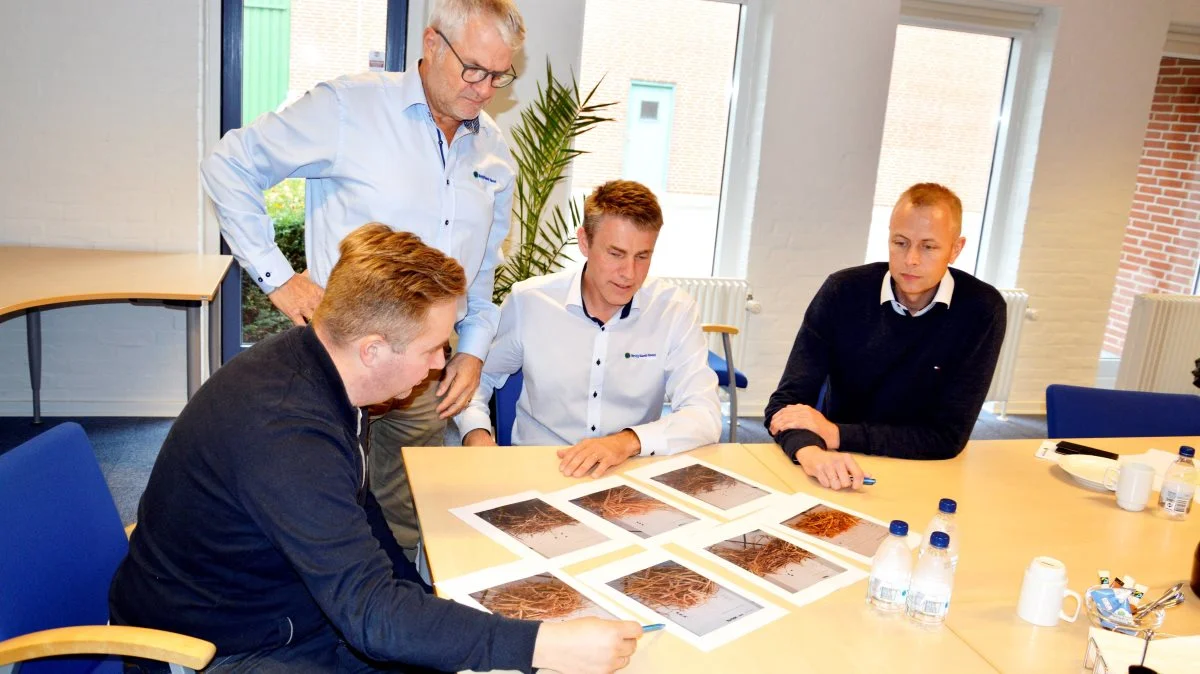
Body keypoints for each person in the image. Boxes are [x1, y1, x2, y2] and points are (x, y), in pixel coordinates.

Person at [109, 224, 641, 674]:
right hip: (216, 644)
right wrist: (544, 644)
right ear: (373, 350)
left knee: (441, 644)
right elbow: (371, 618)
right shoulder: (287, 433)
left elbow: (363, 508)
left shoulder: (328, 369)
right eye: (433, 348)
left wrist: (422, 600)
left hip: (284, 599)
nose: (441, 364)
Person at [200, 0, 525, 556]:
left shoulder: (494, 154)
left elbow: (484, 270)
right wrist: (278, 279)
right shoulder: (350, 108)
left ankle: (392, 617)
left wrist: (470, 350)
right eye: (474, 68)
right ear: (431, 44)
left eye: (499, 75)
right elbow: (229, 165)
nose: (484, 88)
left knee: (401, 515)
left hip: (424, 371)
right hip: (342, 357)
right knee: (315, 500)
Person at [457, 180, 721, 477]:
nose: (629, 274)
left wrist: (627, 441)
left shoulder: (673, 310)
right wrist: (476, 433)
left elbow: (705, 414)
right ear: (584, 242)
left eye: (642, 256)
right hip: (541, 469)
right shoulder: (530, 302)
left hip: (627, 469)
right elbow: (476, 378)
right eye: (616, 254)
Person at [764, 183, 1007, 491]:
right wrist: (810, 451)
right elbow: (786, 405)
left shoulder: (981, 309)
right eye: (900, 242)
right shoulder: (843, 291)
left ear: (955, 249)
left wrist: (835, 433)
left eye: (929, 246)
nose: (911, 259)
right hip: (840, 464)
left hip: (926, 470)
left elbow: (947, 437)